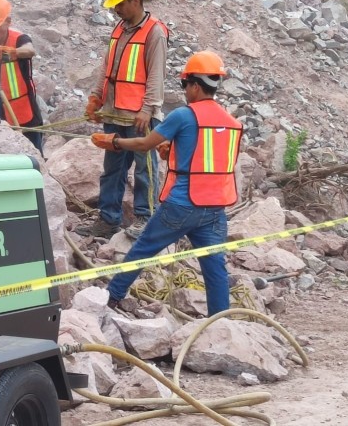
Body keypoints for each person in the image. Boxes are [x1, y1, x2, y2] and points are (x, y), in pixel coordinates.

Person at [92, 51, 243, 316]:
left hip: (182, 204)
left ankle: (111, 298)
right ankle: (220, 320)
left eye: (186, 86)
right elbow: (209, 157)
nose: (186, 92)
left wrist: (114, 142)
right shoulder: (231, 122)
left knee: (143, 248)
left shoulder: (184, 115)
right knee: (214, 267)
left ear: (195, 85)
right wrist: (172, 151)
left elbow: (143, 143)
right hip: (214, 207)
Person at [82, 0, 169, 239]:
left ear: (135, 0)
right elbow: (107, 67)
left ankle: (145, 217)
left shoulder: (154, 31)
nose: (116, 10)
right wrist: (97, 98)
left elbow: (156, 73)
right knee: (113, 171)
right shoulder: (118, 29)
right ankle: (108, 220)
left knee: (145, 170)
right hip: (115, 113)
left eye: (119, 4)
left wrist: (148, 108)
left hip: (140, 118)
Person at [0, 0, 44, 152]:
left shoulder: (19, 39)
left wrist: (12, 53)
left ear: (8, 21)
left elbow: (29, 50)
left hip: (24, 111)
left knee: (34, 155)